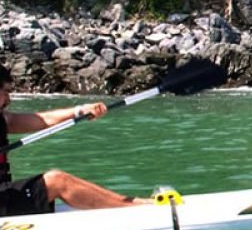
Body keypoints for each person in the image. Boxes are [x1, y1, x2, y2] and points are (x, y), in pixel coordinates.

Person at [0, 64, 149, 216]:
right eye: (5, 92)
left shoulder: (4, 119)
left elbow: (43, 119)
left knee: (56, 180)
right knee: (57, 181)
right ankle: (137, 209)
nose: (9, 100)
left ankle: (132, 203)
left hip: (5, 193)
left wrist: (80, 111)